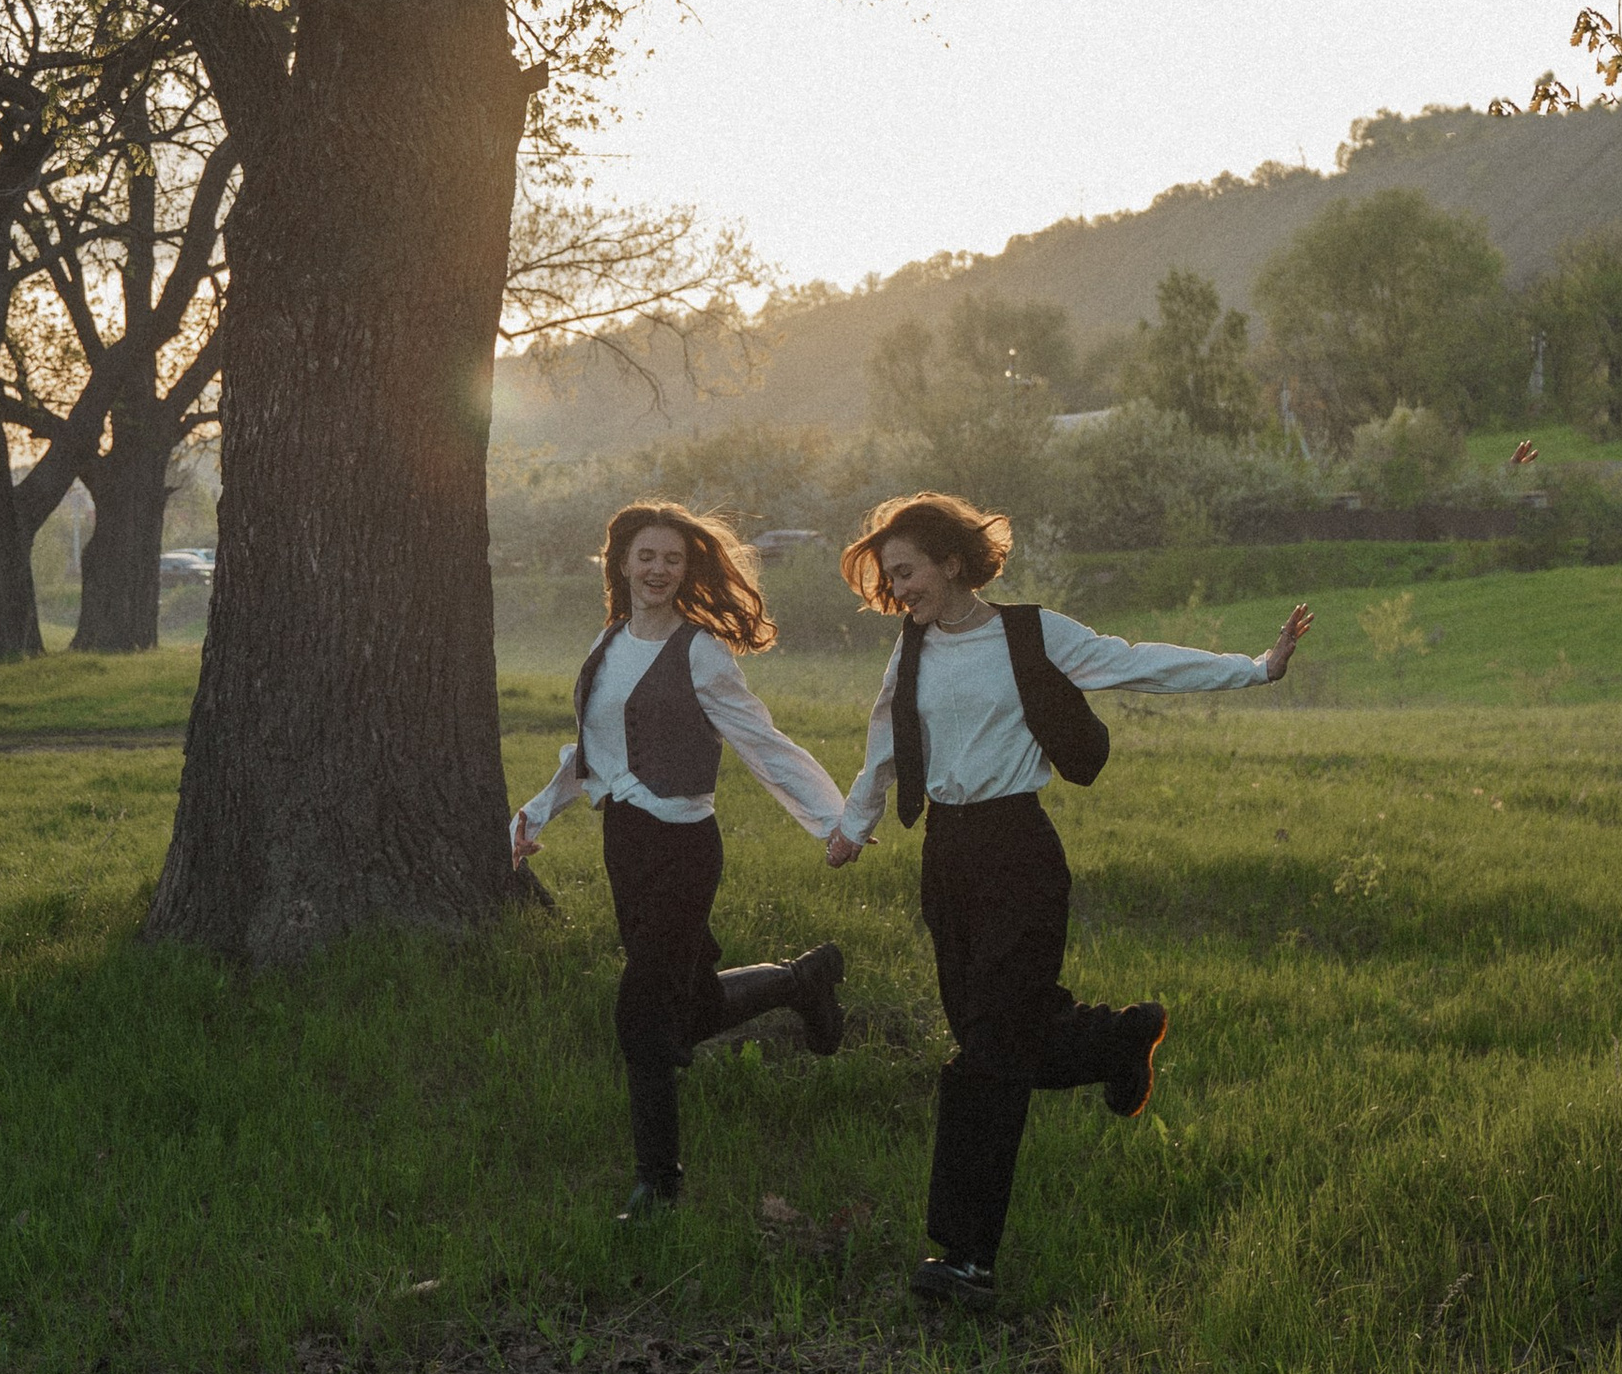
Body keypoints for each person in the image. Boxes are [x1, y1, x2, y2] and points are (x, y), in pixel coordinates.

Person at [823, 491, 1311, 1310]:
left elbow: (1134, 660)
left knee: (984, 1056)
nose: (898, 590)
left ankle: (966, 1258)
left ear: (951, 561)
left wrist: (1256, 668)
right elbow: (884, 743)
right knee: (995, 1035)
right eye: (889, 578)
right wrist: (851, 825)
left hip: (1019, 851)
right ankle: (1120, 1041)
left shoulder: (1031, 634)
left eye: (906, 571)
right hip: (946, 856)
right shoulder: (908, 653)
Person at [515, 500, 850, 1223]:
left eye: (672, 558)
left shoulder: (701, 651)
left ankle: (658, 1182)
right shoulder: (607, 643)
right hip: (625, 846)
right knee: (688, 1006)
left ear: (686, 567)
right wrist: (534, 813)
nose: (659, 569)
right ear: (623, 564)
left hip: (682, 846)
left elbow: (761, 742)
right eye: (647, 556)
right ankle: (803, 980)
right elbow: (591, 751)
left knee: (642, 1011)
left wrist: (834, 820)